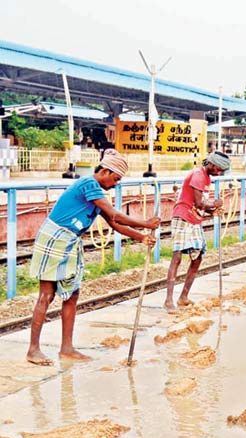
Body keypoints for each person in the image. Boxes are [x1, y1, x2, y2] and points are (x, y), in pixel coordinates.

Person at [26, 150, 159, 365]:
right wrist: (145, 224)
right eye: (115, 179)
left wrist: (141, 237)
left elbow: (114, 223)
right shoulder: (89, 184)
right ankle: (33, 350)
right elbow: (116, 214)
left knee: (72, 294)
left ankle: (66, 348)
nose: (115, 184)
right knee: (47, 295)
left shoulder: (96, 194)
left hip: (70, 241)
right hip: (55, 238)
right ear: (105, 171)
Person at [164, 151, 230, 313]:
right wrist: (214, 203)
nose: (219, 172)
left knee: (198, 256)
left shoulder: (207, 178)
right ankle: (168, 301)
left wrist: (211, 211)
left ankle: (183, 296)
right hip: (182, 217)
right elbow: (199, 203)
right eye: (219, 169)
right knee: (177, 257)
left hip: (194, 219)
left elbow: (199, 205)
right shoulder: (198, 175)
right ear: (212, 164)